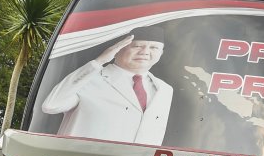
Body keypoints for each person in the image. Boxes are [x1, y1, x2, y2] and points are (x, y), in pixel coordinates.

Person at [41, 27, 173, 145]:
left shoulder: (164, 90)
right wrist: (99, 61)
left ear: (161, 52)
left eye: (154, 47)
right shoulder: (89, 78)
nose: (145, 52)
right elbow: (51, 105)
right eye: (137, 46)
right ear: (117, 48)